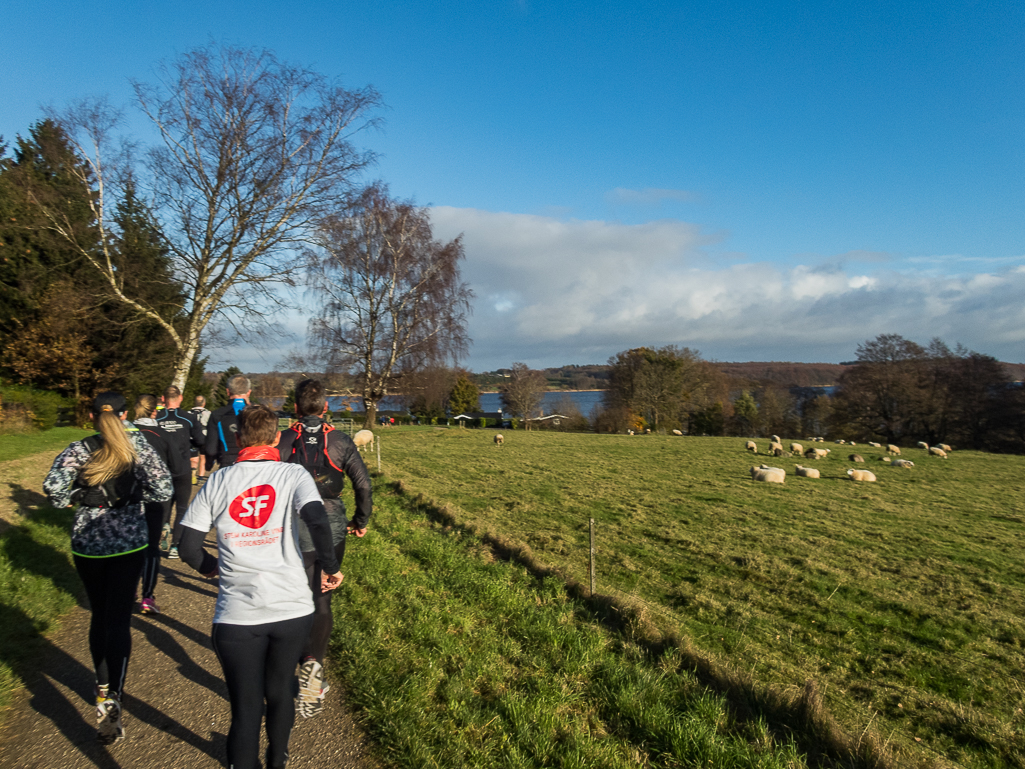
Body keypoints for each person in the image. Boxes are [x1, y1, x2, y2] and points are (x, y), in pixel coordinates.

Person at [178, 404, 342, 769]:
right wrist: (330, 567)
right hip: (292, 609)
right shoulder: (293, 474)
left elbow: (187, 546)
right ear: (277, 438)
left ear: (238, 439)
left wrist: (213, 570)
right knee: (281, 690)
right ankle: (278, 759)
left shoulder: (218, 480)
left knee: (245, 709)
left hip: (237, 617)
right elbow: (317, 520)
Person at [43, 392, 173, 744]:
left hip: (88, 545)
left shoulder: (80, 447)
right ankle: (113, 694)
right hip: (128, 542)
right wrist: (133, 495)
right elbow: (163, 488)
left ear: (91, 416)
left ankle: (101, 690)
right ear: (126, 414)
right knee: (118, 619)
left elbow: (53, 490)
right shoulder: (139, 447)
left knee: (99, 615)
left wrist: (80, 497)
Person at [276, 379, 372, 718]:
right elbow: (362, 483)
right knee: (322, 597)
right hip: (331, 526)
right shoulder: (341, 441)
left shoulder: (286, 439)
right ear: (326, 407)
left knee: (294, 598)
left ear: (297, 408)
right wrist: (361, 520)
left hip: (295, 526)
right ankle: (314, 664)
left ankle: (297, 661)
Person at [133, 394, 188, 614]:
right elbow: (177, 467)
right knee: (151, 547)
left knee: (131, 544)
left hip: (128, 495)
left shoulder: (123, 433)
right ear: (155, 411)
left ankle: (129, 589)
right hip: (156, 498)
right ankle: (147, 596)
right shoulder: (162, 434)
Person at [156, 386, 205, 560]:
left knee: (164, 505)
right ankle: (175, 546)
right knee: (182, 507)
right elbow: (201, 441)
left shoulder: (156, 417)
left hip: (161, 470)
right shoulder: (189, 418)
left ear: (163, 399)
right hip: (182, 468)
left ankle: (163, 528)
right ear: (181, 398)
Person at [203, 374, 252, 475]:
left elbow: (211, 449)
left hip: (227, 467)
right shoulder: (258, 413)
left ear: (227, 391)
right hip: (254, 467)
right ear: (249, 392)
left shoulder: (217, 414)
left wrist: (208, 464)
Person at [189, 394, 213, 483]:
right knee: (203, 458)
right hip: (204, 437)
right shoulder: (207, 413)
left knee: (194, 458)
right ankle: (201, 477)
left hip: (192, 438)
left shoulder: (189, 413)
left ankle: (193, 473)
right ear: (204, 403)